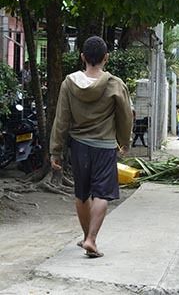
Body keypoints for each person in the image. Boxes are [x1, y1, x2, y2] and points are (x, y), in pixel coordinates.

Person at [49, 36, 132, 259]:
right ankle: (91, 239)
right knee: (102, 193)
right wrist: (124, 141)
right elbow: (125, 117)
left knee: (82, 193)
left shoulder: (69, 83)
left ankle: (86, 236)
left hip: (79, 146)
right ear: (106, 58)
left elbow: (61, 119)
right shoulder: (115, 84)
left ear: (83, 57)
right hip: (104, 147)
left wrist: (55, 149)